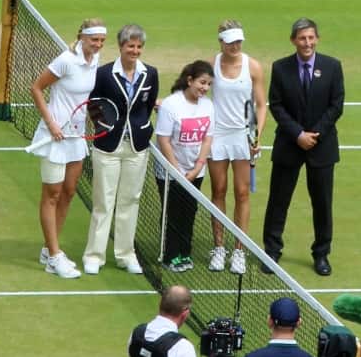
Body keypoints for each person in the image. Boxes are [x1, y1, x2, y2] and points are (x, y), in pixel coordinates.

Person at [262, 17, 344, 277]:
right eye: (302, 38)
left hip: (322, 147)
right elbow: (276, 104)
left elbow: (336, 105)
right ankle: (272, 251)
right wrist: (298, 134)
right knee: (278, 201)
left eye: (310, 38)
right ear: (293, 41)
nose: (307, 43)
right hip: (290, 143)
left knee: (322, 203)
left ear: (317, 39)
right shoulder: (281, 67)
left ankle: (321, 254)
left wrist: (314, 135)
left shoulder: (332, 67)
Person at [28, 18, 105, 279]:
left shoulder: (96, 60)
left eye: (101, 40)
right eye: (94, 39)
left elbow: (87, 98)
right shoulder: (65, 60)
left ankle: (50, 249)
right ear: (82, 37)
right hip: (55, 138)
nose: (98, 44)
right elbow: (36, 88)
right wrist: (51, 124)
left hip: (76, 136)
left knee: (69, 193)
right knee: (52, 194)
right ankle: (54, 256)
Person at [82, 24, 159, 276]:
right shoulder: (104, 74)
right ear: (121, 47)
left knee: (130, 201)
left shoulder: (151, 74)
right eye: (130, 46)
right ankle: (94, 255)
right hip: (108, 147)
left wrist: (138, 129)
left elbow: (145, 108)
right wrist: (105, 127)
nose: (135, 51)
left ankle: (126, 255)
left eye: (138, 46)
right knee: (103, 201)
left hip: (136, 148)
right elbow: (93, 104)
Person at [208, 20, 267, 275]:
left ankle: (239, 251)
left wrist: (257, 135)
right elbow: (196, 92)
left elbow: (261, 105)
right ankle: (219, 249)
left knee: (242, 193)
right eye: (230, 42)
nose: (235, 46)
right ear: (221, 41)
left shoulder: (252, 66)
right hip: (217, 135)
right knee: (218, 191)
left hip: (242, 136)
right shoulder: (211, 65)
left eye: (238, 41)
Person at [155, 60, 215, 272]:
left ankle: (184, 253)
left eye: (208, 84)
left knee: (190, 211)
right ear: (189, 80)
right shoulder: (171, 104)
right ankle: (170, 255)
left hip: (195, 170)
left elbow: (207, 138)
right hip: (170, 172)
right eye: (201, 82)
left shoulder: (208, 105)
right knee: (173, 213)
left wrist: (198, 167)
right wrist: (177, 171)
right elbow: (163, 139)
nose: (204, 88)